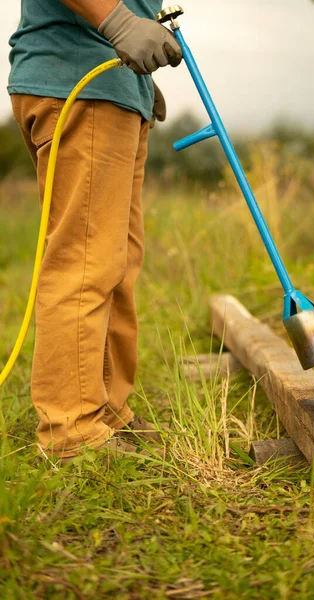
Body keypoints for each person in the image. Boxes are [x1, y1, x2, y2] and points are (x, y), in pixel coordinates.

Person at [8, 0, 182, 462]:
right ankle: (71, 430)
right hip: (80, 81)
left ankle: (106, 411)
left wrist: (137, 84)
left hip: (111, 86)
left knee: (116, 262)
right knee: (85, 262)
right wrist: (119, 24)